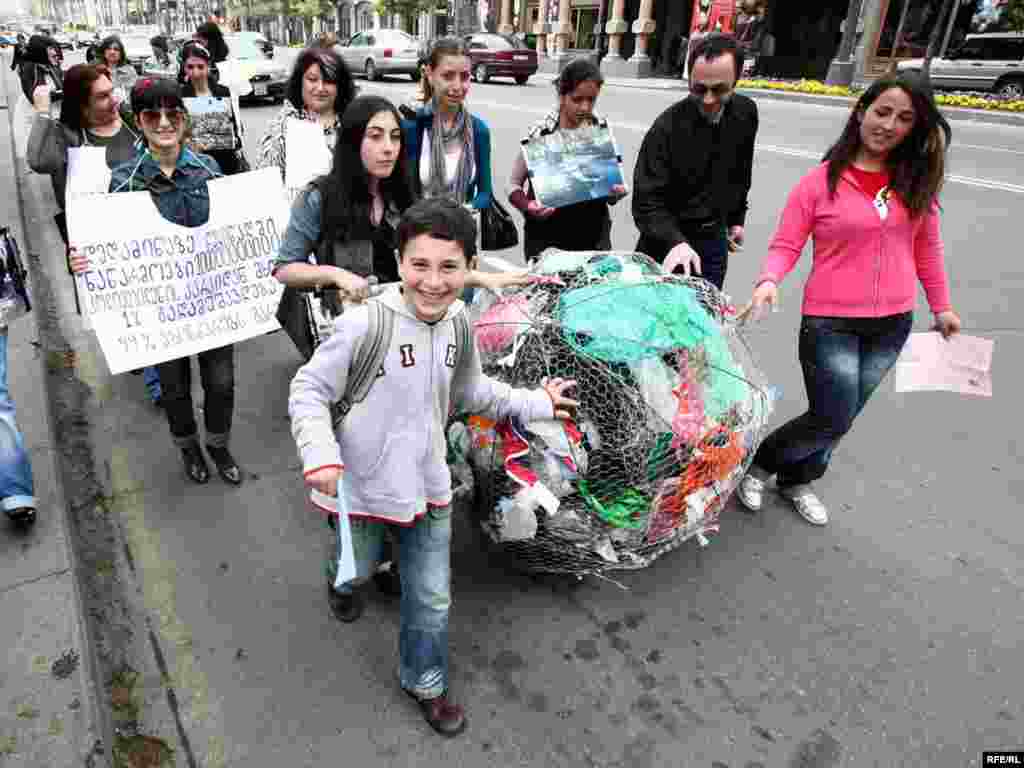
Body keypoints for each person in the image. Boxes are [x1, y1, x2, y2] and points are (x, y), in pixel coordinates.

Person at [288, 195, 579, 737]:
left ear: (469, 269)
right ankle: (342, 581)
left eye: (450, 267)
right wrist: (320, 454)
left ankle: (425, 681)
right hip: (365, 490)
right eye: (420, 264)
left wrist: (536, 402)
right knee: (358, 567)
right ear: (399, 263)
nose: (434, 281)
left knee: (431, 598)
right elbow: (308, 389)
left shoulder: (460, 322)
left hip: (428, 488)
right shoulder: (363, 325)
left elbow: (471, 391)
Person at [736, 75, 961, 526]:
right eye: (882, 112)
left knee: (845, 416)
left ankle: (799, 479)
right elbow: (786, 243)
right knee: (831, 415)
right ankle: (760, 464)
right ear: (861, 112)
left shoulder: (914, 183)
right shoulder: (820, 183)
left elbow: (927, 249)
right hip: (830, 322)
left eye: (904, 118)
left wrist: (942, 306)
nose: (889, 125)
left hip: (892, 323)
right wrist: (768, 281)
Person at [68, 78, 241, 486]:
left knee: (222, 382)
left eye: (172, 114)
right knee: (174, 389)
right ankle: (189, 448)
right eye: (151, 115)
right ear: (139, 122)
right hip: (160, 313)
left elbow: (236, 230)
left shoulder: (209, 169)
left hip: (211, 302)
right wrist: (81, 259)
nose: (164, 122)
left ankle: (218, 444)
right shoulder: (124, 181)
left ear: (183, 120)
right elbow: (106, 244)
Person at [26, 64, 163, 408]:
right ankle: (146, 364)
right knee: (129, 315)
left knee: (154, 310)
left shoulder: (132, 121)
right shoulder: (67, 136)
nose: (112, 99)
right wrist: (42, 113)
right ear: (81, 104)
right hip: (101, 249)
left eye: (112, 90)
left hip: (147, 237)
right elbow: (39, 160)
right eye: (102, 96)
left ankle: (158, 380)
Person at [632, 33, 757, 292]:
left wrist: (736, 219)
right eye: (699, 89)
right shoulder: (666, 128)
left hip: (713, 241)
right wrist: (674, 242)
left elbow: (741, 170)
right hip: (665, 245)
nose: (708, 100)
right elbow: (646, 202)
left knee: (702, 322)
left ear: (736, 81)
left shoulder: (745, 113)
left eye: (719, 90)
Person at [507, 57, 626, 262]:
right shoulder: (540, 134)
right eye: (577, 99)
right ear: (562, 96)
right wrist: (528, 206)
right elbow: (512, 185)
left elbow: (610, 189)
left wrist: (615, 193)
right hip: (545, 242)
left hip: (593, 241)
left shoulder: (600, 131)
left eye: (591, 100)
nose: (585, 108)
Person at [256, 47, 357, 186]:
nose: (320, 88)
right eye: (312, 79)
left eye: (329, 80)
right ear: (300, 82)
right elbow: (265, 184)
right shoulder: (282, 127)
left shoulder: (355, 121)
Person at [179, 41, 245, 175]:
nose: (195, 72)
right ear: (184, 68)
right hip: (195, 162)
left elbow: (235, 125)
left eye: (200, 67)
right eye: (190, 67)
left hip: (226, 160)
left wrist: (234, 140)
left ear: (208, 66)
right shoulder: (180, 95)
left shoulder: (223, 91)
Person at [96, 36, 137, 103]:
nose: (112, 52)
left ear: (121, 53)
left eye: (116, 49)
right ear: (103, 51)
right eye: (108, 48)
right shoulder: (96, 70)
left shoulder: (130, 71)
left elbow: (132, 95)